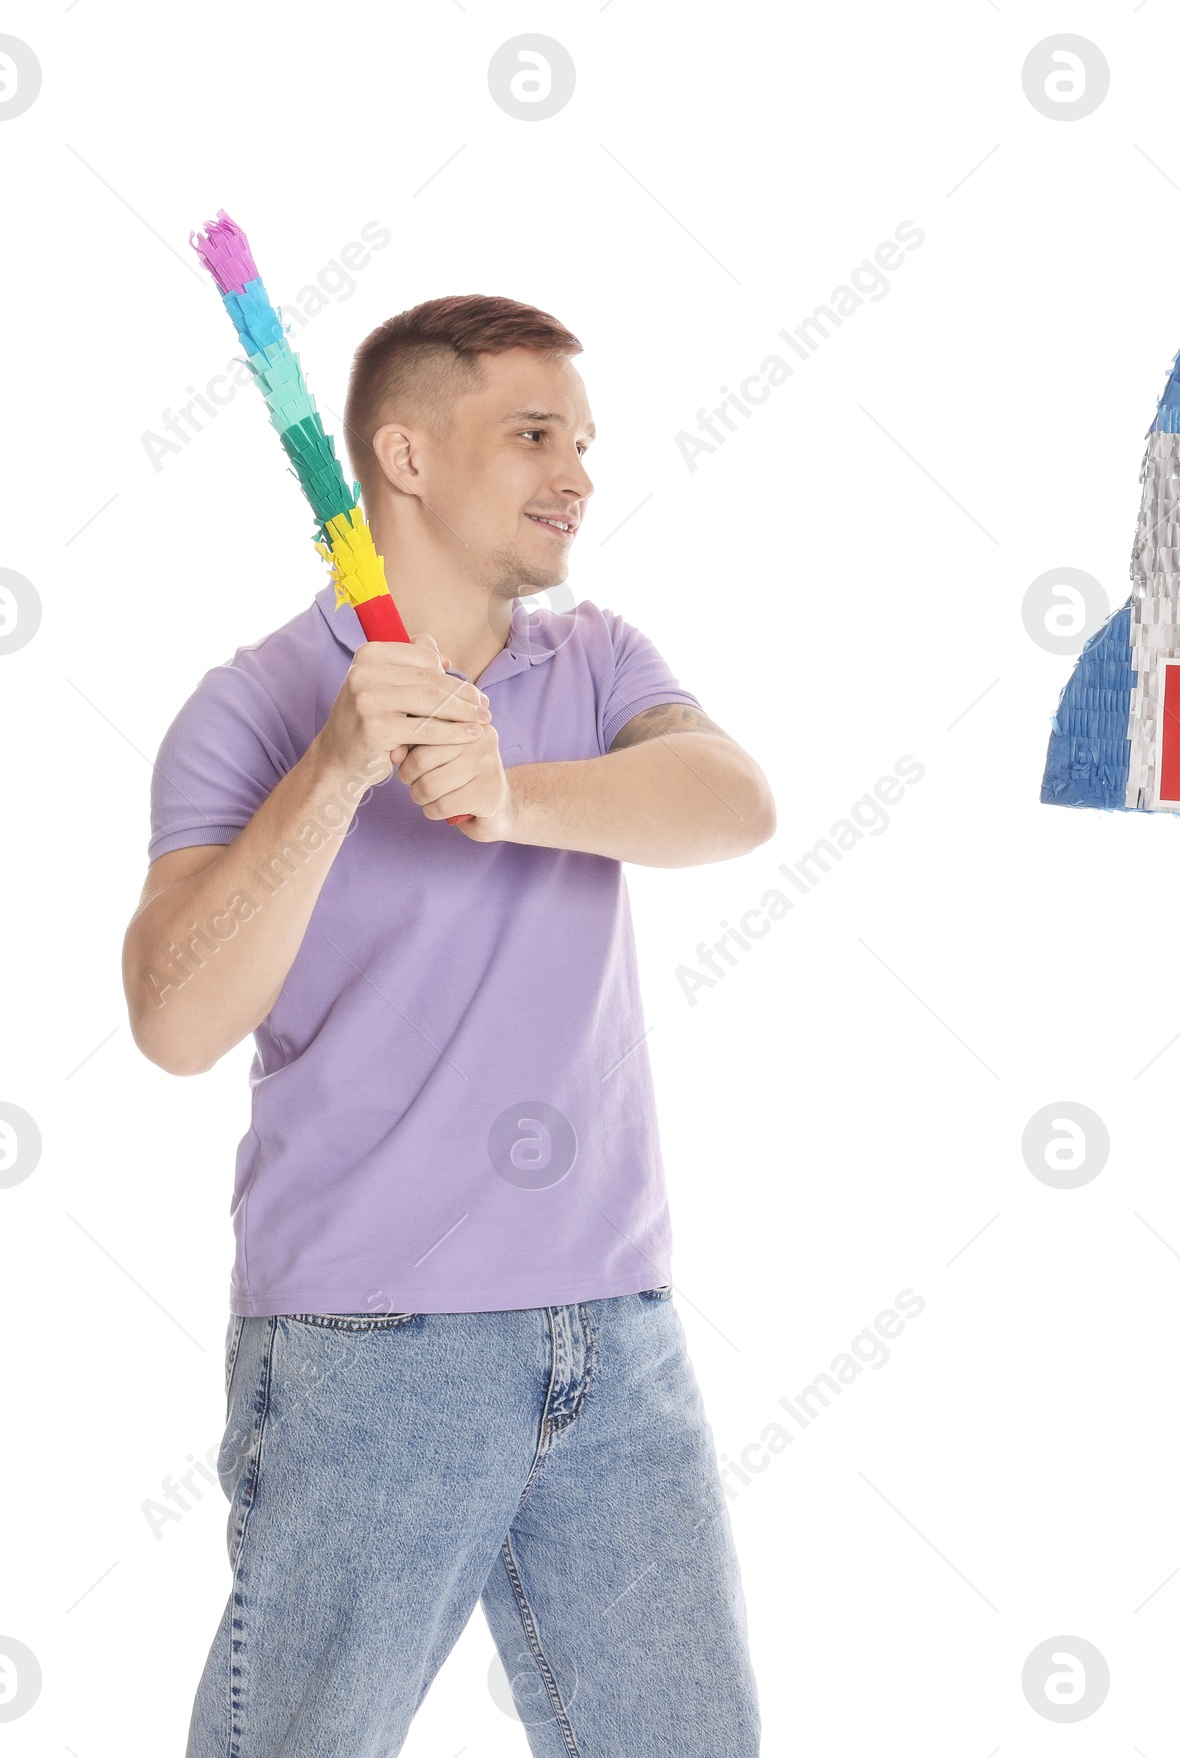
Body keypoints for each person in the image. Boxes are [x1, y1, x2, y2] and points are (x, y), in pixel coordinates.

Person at [121, 292, 775, 1757]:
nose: (579, 473)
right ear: (404, 457)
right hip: (373, 1339)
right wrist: (338, 771)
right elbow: (173, 1015)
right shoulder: (252, 709)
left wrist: (514, 793)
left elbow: (734, 801)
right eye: (535, 432)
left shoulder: (597, 664)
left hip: (617, 1322)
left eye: (585, 441)